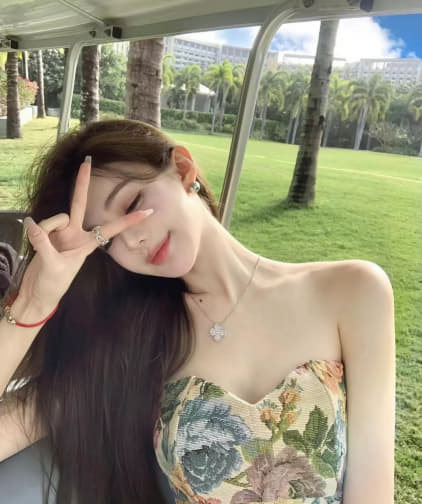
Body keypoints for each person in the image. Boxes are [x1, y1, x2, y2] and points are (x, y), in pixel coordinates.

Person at [0, 119, 396, 504]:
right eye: (106, 240)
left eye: (132, 203)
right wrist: (35, 302)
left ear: (183, 168)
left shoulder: (353, 291)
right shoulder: (128, 344)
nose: (132, 239)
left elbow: (373, 489)